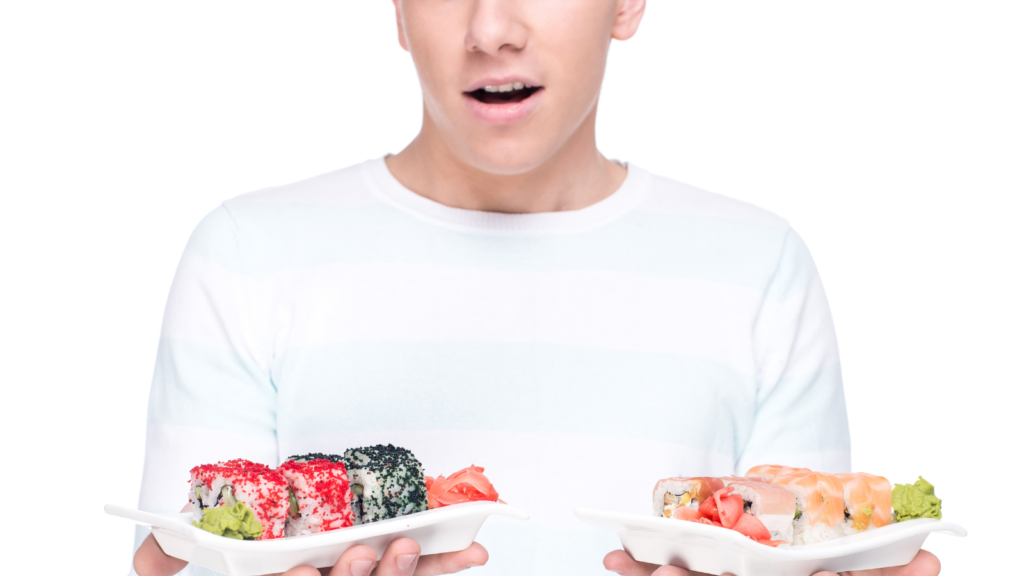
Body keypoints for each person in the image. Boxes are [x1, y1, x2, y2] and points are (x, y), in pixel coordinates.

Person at [132, 1, 941, 576]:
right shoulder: (245, 256)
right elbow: (187, 554)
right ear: (398, 11)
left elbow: (809, 546)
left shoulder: (760, 267)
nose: (491, 30)